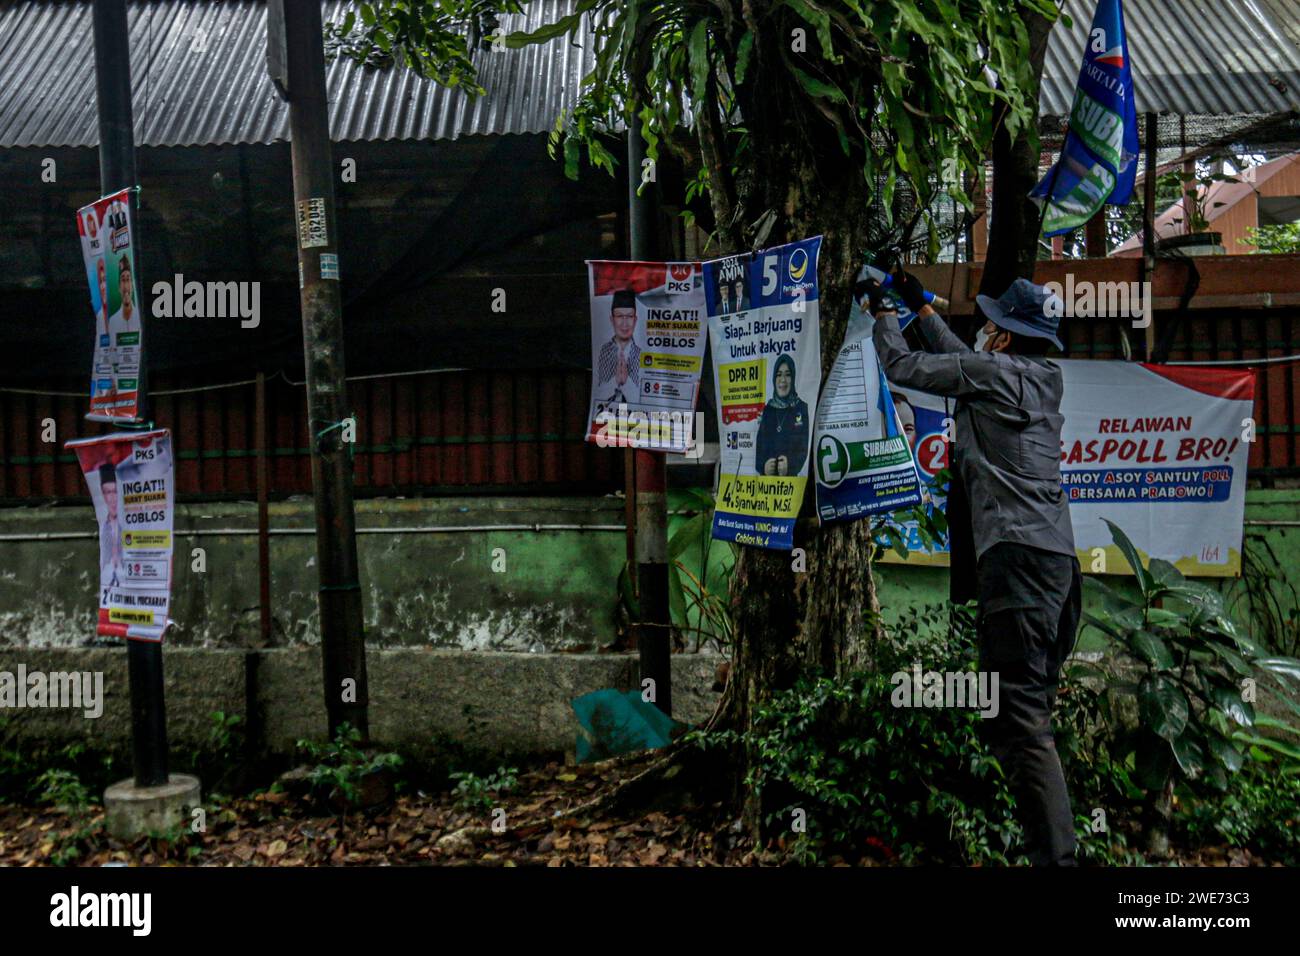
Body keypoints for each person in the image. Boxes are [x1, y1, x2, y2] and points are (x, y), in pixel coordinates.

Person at [859, 270, 1081, 867]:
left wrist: (883, 312)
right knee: (1023, 713)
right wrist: (920, 306)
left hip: (1018, 564)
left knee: (1021, 720)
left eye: (990, 325)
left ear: (1004, 338)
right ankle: (1050, 851)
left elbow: (907, 370)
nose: (982, 332)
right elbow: (964, 364)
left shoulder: (996, 373)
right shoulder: (1037, 377)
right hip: (1055, 564)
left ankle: (1057, 860)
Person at [754, 353, 810, 477]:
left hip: (790, 486)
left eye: (788, 375)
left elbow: (803, 449)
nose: (783, 380)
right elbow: (759, 449)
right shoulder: (768, 409)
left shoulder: (801, 408)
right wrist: (764, 466)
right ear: (774, 379)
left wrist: (790, 465)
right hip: (767, 485)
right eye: (779, 375)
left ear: (793, 378)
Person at [595, 289, 641, 405]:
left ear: (635, 320)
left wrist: (627, 383)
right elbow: (599, 390)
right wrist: (615, 382)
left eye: (629, 316)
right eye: (620, 316)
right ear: (612, 319)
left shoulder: (641, 353)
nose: (624, 324)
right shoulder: (603, 351)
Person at [98, 462, 125, 591]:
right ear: (103, 495)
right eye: (108, 492)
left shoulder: (128, 525)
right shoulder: (104, 528)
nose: (113, 498)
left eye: (116, 491)